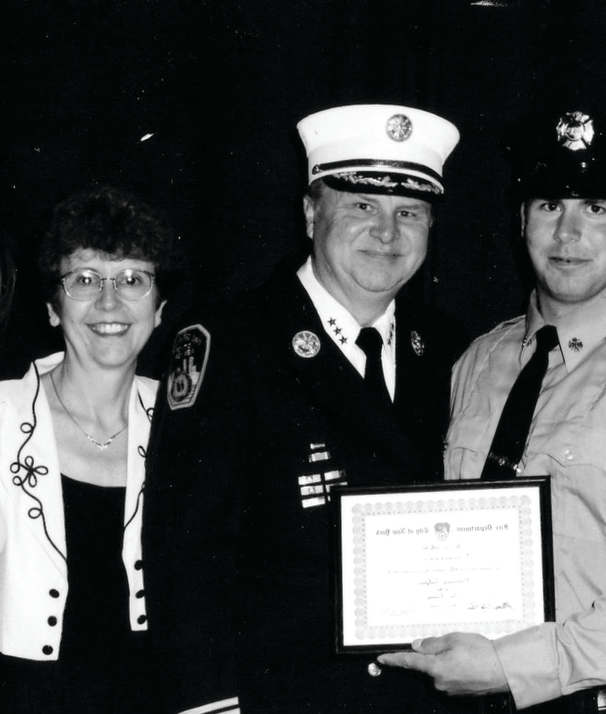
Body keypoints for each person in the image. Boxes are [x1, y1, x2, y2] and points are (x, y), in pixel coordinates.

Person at [379, 110, 606, 713]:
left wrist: (515, 667)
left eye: (596, 208)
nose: (567, 233)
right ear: (522, 220)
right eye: (549, 205)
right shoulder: (477, 361)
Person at [143, 104, 468, 714]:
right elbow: (183, 553)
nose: (387, 233)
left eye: (408, 212)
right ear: (311, 212)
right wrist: (211, 706)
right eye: (362, 206)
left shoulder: (455, 349)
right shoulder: (228, 341)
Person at [0, 186, 181, 713]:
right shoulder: (3, 418)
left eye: (132, 279)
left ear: (160, 308)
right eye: (84, 279)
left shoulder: (189, 424)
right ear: (52, 308)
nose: (109, 302)